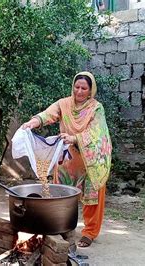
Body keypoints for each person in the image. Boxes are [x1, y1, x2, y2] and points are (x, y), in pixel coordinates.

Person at [22, 71, 112, 248]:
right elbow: (49, 114)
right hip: (67, 159)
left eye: (84, 88)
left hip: (89, 161)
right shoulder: (64, 104)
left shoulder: (96, 108)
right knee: (60, 195)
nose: (79, 91)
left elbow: (96, 132)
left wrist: (75, 138)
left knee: (92, 196)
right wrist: (33, 122)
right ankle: (61, 227)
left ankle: (90, 232)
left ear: (91, 90)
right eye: (76, 87)